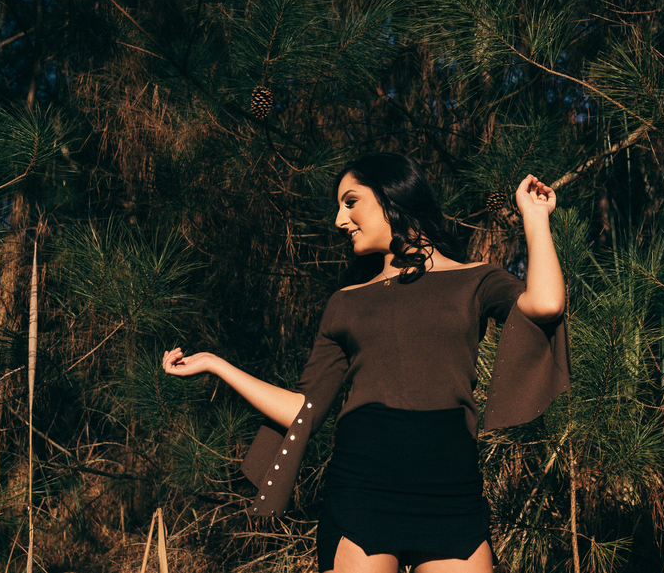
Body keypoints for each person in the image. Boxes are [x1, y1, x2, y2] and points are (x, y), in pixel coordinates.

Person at [162, 152, 570, 573]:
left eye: (350, 201)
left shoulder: (475, 280)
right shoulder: (346, 302)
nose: (339, 220)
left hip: (451, 483)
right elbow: (304, 409)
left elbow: (545, 303)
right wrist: (216, 364)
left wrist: (535, 217)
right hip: (363, 480)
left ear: (392, 194)